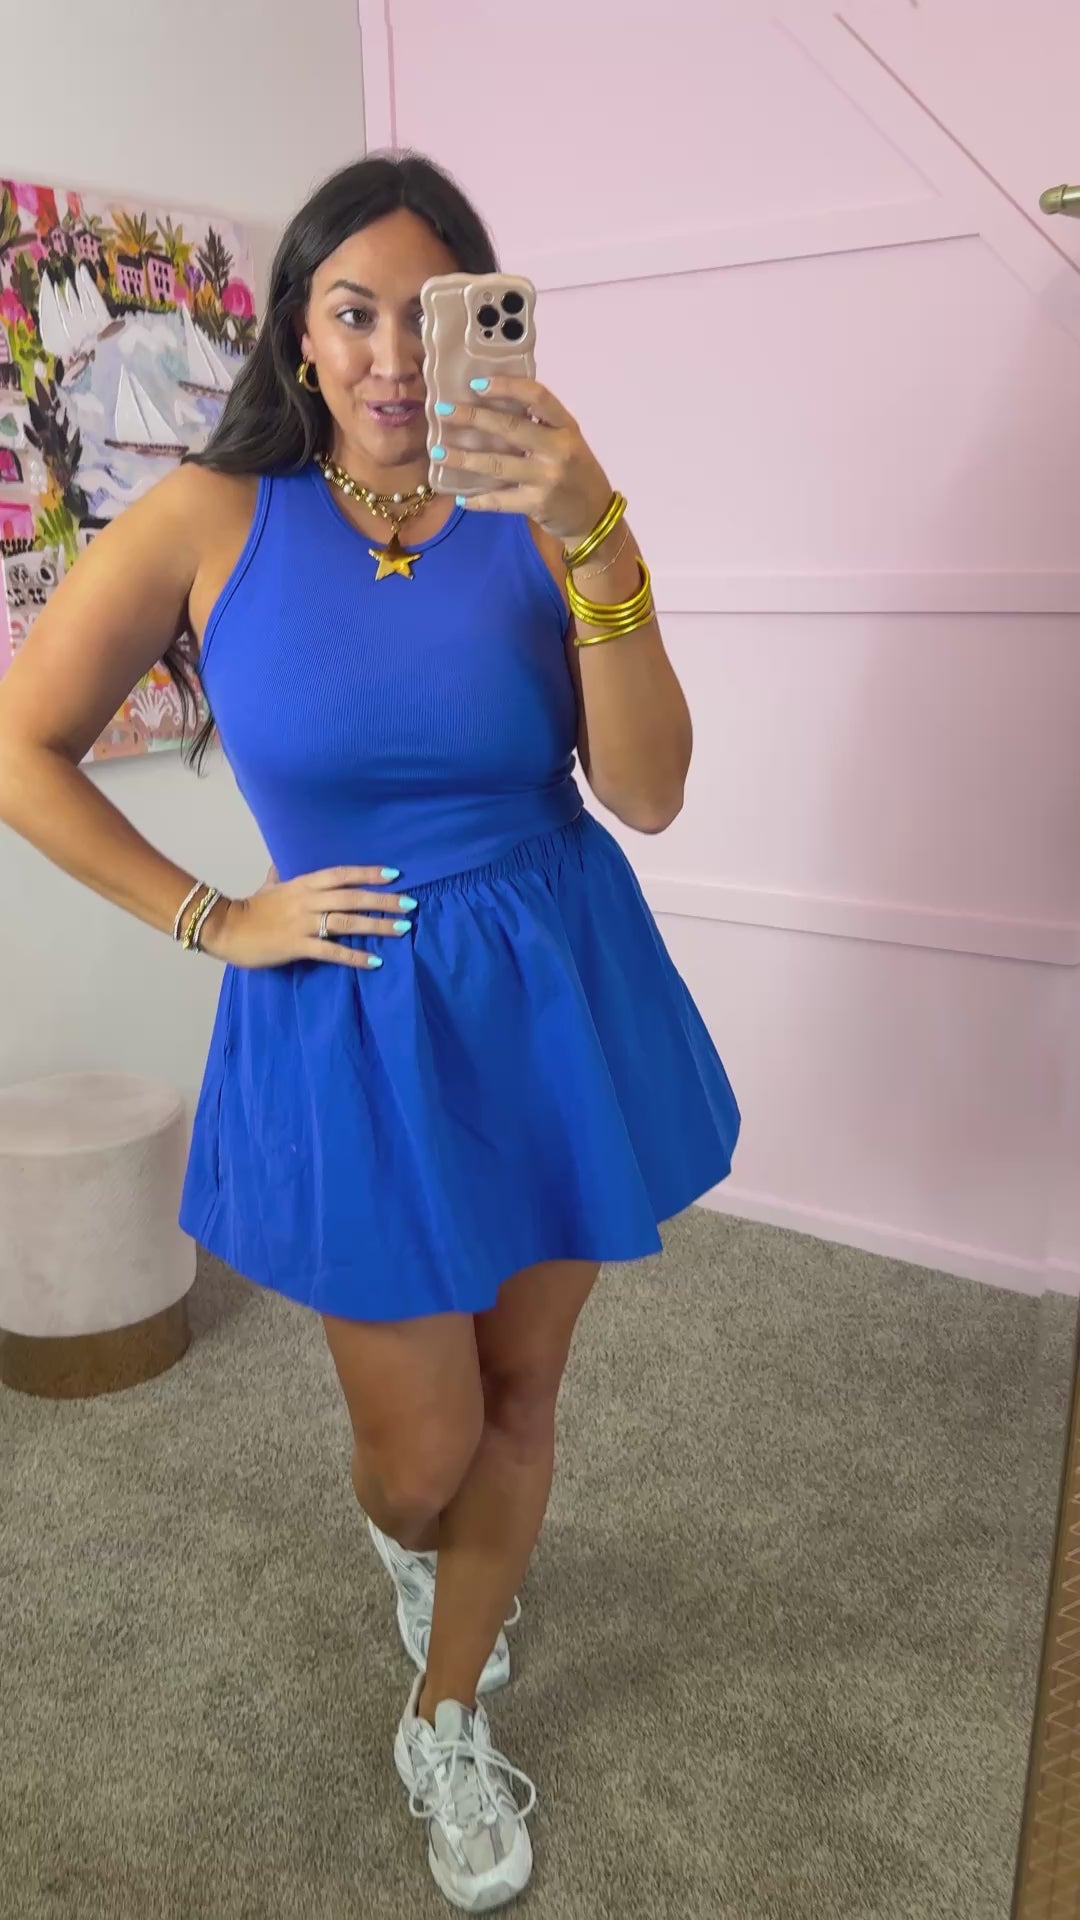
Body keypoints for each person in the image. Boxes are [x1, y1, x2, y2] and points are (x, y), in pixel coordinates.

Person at [0, 153, 740, 1912]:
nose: (398, 354)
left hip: (549, 993)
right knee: (418, 1458)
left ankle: (446, 1709)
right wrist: (215, 914)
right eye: (355, 312)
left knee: (522, 1394)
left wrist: (595, 528)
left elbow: (648, 792)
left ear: (492, 321)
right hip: (345, 1022)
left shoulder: (542, 504)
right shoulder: (208, 519)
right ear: (299, 334)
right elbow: (22, 746)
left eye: (434, 311)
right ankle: (416, 1547)